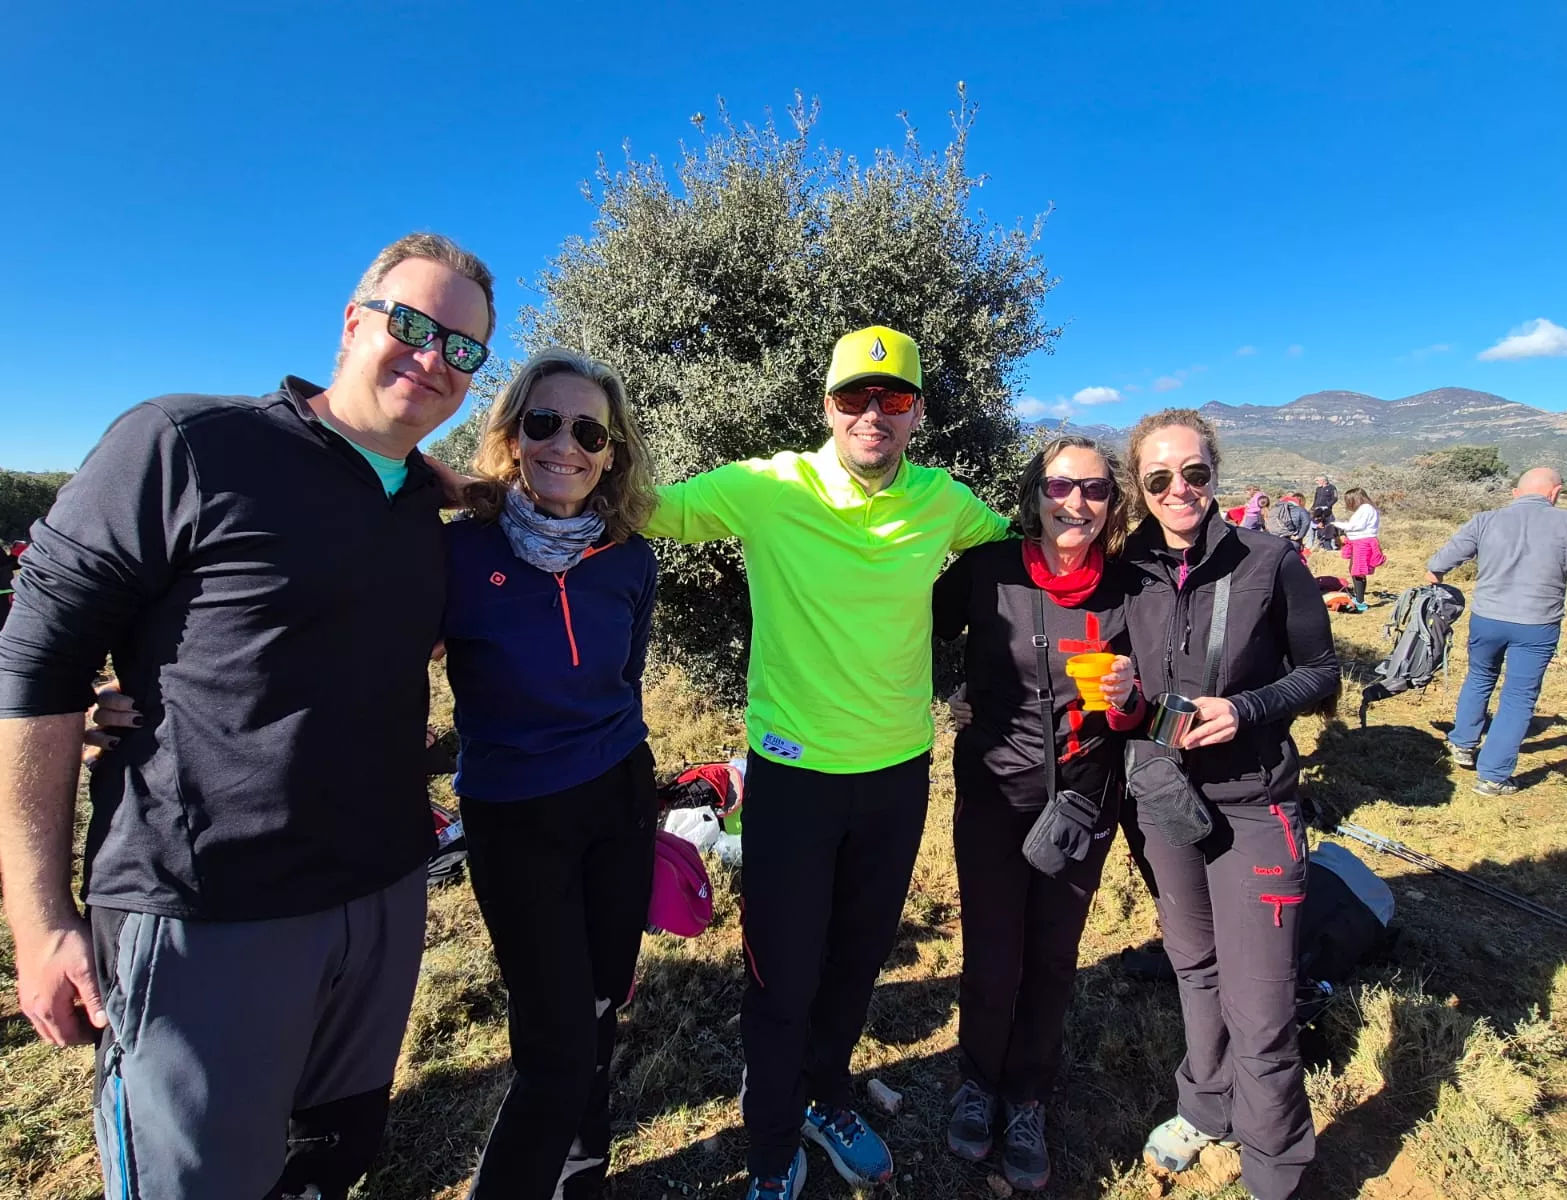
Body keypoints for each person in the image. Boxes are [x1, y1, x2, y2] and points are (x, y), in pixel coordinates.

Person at [0, 233, 495, 1199]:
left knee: (331, 1158)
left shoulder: (427, 509)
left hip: (381, 898)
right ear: (354, 324)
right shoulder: (185, 444)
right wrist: (39, 918)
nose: (435, 359)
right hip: (203, 914)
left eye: (464, 349)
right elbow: (35, 664)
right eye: (414, 326)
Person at [642, 326, 1012, 1200]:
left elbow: (1026, 561)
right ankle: (770, 1143)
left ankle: (827, 1093)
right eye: (854, 397)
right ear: (827, 408)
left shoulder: (945, 502)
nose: (872, 414)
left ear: (918, 413)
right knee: (782, 974)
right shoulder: (767, 488)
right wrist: (496, 479)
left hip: (897, 776)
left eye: (893, 399)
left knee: (854, 962)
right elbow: (639, 505)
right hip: (792, 781)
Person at [442, 349, 660, 1197]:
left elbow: (625, 678)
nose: (563, 444)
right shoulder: (459, 555)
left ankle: (583, 1179)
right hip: (513, 814)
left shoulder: (632, 560)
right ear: (511, 434)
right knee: (555, 1047)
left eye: (587, 430)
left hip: (619, 799)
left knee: (603, 1006)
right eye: (543, 422)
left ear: (611, 452)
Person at [1120, 408, 1339, 1200]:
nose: (1180, 489)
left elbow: (1321, 674)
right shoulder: (1129, 562)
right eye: (1159, 478)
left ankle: (1277, 1172)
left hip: (1255, 803)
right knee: (1195, 965)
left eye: (1195, 473)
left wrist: (1244, 709)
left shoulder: (1270, 557)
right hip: (1165, 800)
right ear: (1139, 490)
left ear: (1215, 473)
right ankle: (1204, 1107)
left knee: (1263, 1004)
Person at [933, 436, 1145, 1191]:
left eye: (1093, 490)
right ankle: (976, 1083)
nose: (1075, 503)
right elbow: (917, 632)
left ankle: (1027, 1097)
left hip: (1084, 798)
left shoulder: (1130, 587)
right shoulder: (989, 572)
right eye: (1060, 486)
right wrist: (948, 697)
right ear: (1035, 493)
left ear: (1112, 503)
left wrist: (1129, 703)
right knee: (993, 952)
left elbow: (1147, 699)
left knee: (1053, 956)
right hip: (995, 789)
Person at [1426, 467, 1567, 796]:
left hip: (1487, 619)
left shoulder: (1485, 520)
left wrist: (1436, 576)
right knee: (1518, 697)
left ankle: (1463, 743)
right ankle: (1493, 776)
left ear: (1515, 494)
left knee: (1479, 676)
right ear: (1555, 492)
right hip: (1537, 624)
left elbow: (1438, 564)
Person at [1333, 486, 1383, 610]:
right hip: (1357, 542)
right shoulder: (1364, 509)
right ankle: (1358, 597)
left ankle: (1360, 602)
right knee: (1354, 570)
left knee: (1359, 572)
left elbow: (1356, 526)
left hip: (1362, 542)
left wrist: (1336, 524)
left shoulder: (1366, 509)